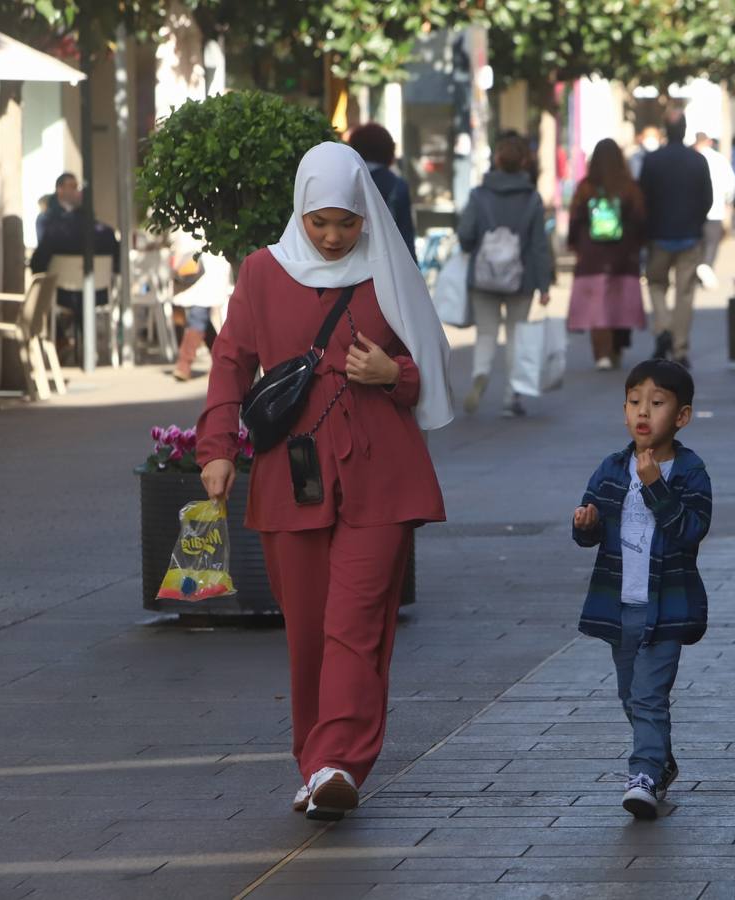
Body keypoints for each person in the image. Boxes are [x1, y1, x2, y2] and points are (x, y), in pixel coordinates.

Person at [196, 142, 451, 821]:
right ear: (299, 212)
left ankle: (340, 761)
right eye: (320, 223)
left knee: (357, 623)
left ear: (365, 213)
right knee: (308, 629)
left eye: (346, 221)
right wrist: (216, 449)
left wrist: (394, 376)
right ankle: (314, 763)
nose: (335, 236)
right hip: (293, 473)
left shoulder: (389, 270)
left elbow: (425, 367)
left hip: (383, 473)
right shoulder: (261, 272)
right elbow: (230, 364)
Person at [572, 359, 711, 820]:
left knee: (650, 695)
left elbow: (690, 531)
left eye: (657, 403)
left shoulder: (690, 472)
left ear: (682, 416)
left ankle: (645, 772)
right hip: (619, 605)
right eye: (635, 402)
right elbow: (590, 528)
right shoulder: (612, 467)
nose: (643, 413)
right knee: (631, 695)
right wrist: (586, 524)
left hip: (666, 609)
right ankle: (660, 759)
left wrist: (656, 487)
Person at [456, 133, 554, 417]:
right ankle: (512, 397)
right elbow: (539, 245)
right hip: (520, 278)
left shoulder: (479, 194)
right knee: (515, 335)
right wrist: (544, 283)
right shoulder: (532, 199)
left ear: (496, 160)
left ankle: (480, 373)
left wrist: (472, 249)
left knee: (486, 332)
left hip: (483, 276)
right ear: (523, 162)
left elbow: (465, 234)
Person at [639, 111, 713, 366]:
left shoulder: (652, 160)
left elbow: (643, 198)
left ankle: (664, 328)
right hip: (689, 235)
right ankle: (679, 347)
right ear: (684, 130)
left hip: (659, 235)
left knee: (656, 284)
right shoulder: (697, 160)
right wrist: (697, 222)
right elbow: (707, 199)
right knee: (685, 292)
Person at [568, 138, 647, 370]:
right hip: (623, 255)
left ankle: (601, 354)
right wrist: (637, 246)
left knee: (596, 306)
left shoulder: (585, 187)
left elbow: (575, 220)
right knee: (620, 302)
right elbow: (640, 219)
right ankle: (617, 349)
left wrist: (575, 246)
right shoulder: (630, 187)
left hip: (591, 255)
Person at [30, 172, 121, 363]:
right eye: (72, 186)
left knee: (51, 293)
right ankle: (68, 342)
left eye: (77, 186)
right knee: (49, 293)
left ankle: (68, 343)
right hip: (87, 290)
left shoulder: (86, 225)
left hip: (78, 291)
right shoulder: (49, 220)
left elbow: (39, 260)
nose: (77, 190)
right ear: (60, 189)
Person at [347, 122, 417, 263]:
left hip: (351, 261)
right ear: (389, 151)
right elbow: (405, 237)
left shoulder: (346, 181)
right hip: (387, 263)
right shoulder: (398, 186)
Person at [168, 234, 231, 381]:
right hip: (189, 266)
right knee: (202, 320)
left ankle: (184, 365)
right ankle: (221, 361)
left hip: (208, 267)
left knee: (198, 315)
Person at [693, 132, 735, 290]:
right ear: (709, 142)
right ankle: (706, 268)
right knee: (712, 243)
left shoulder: (693, 158)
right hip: (715, 209)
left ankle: (700, 270)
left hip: (695, 211)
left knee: (698, 243)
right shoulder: (719, 159)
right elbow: (730, 183)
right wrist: (728, 201)